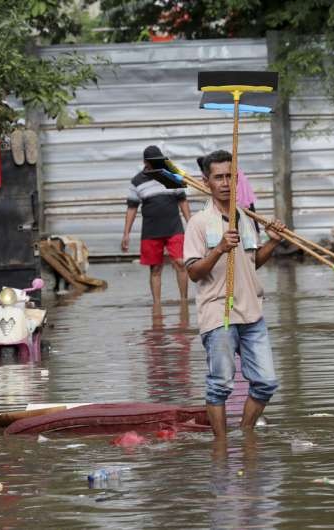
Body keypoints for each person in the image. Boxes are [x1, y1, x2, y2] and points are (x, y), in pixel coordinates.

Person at [184, 149, 285, 439]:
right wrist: (219, 249)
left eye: (230, 176)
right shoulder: (199, 222)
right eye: (219, 177)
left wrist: (273, 242)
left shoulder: (245, 216)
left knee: (265, 382)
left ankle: (245, 435)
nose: (226, 183)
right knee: (220, 385)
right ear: (206, 182)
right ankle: (221, 445)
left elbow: (252, 263)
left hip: (252, 312)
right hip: (219, 313)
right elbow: (193, 272)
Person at [122, 145, 191, 308]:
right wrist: (126, 234)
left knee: (181, 263)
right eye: (153, 162)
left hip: (174, 228)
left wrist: (191, 223)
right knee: (155, 269)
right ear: (145, 162)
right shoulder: (137, 181)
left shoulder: (171, 176)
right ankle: (157, 306)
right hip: (151, 231)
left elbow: (182, 201)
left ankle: (184, 302)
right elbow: (132, 208)